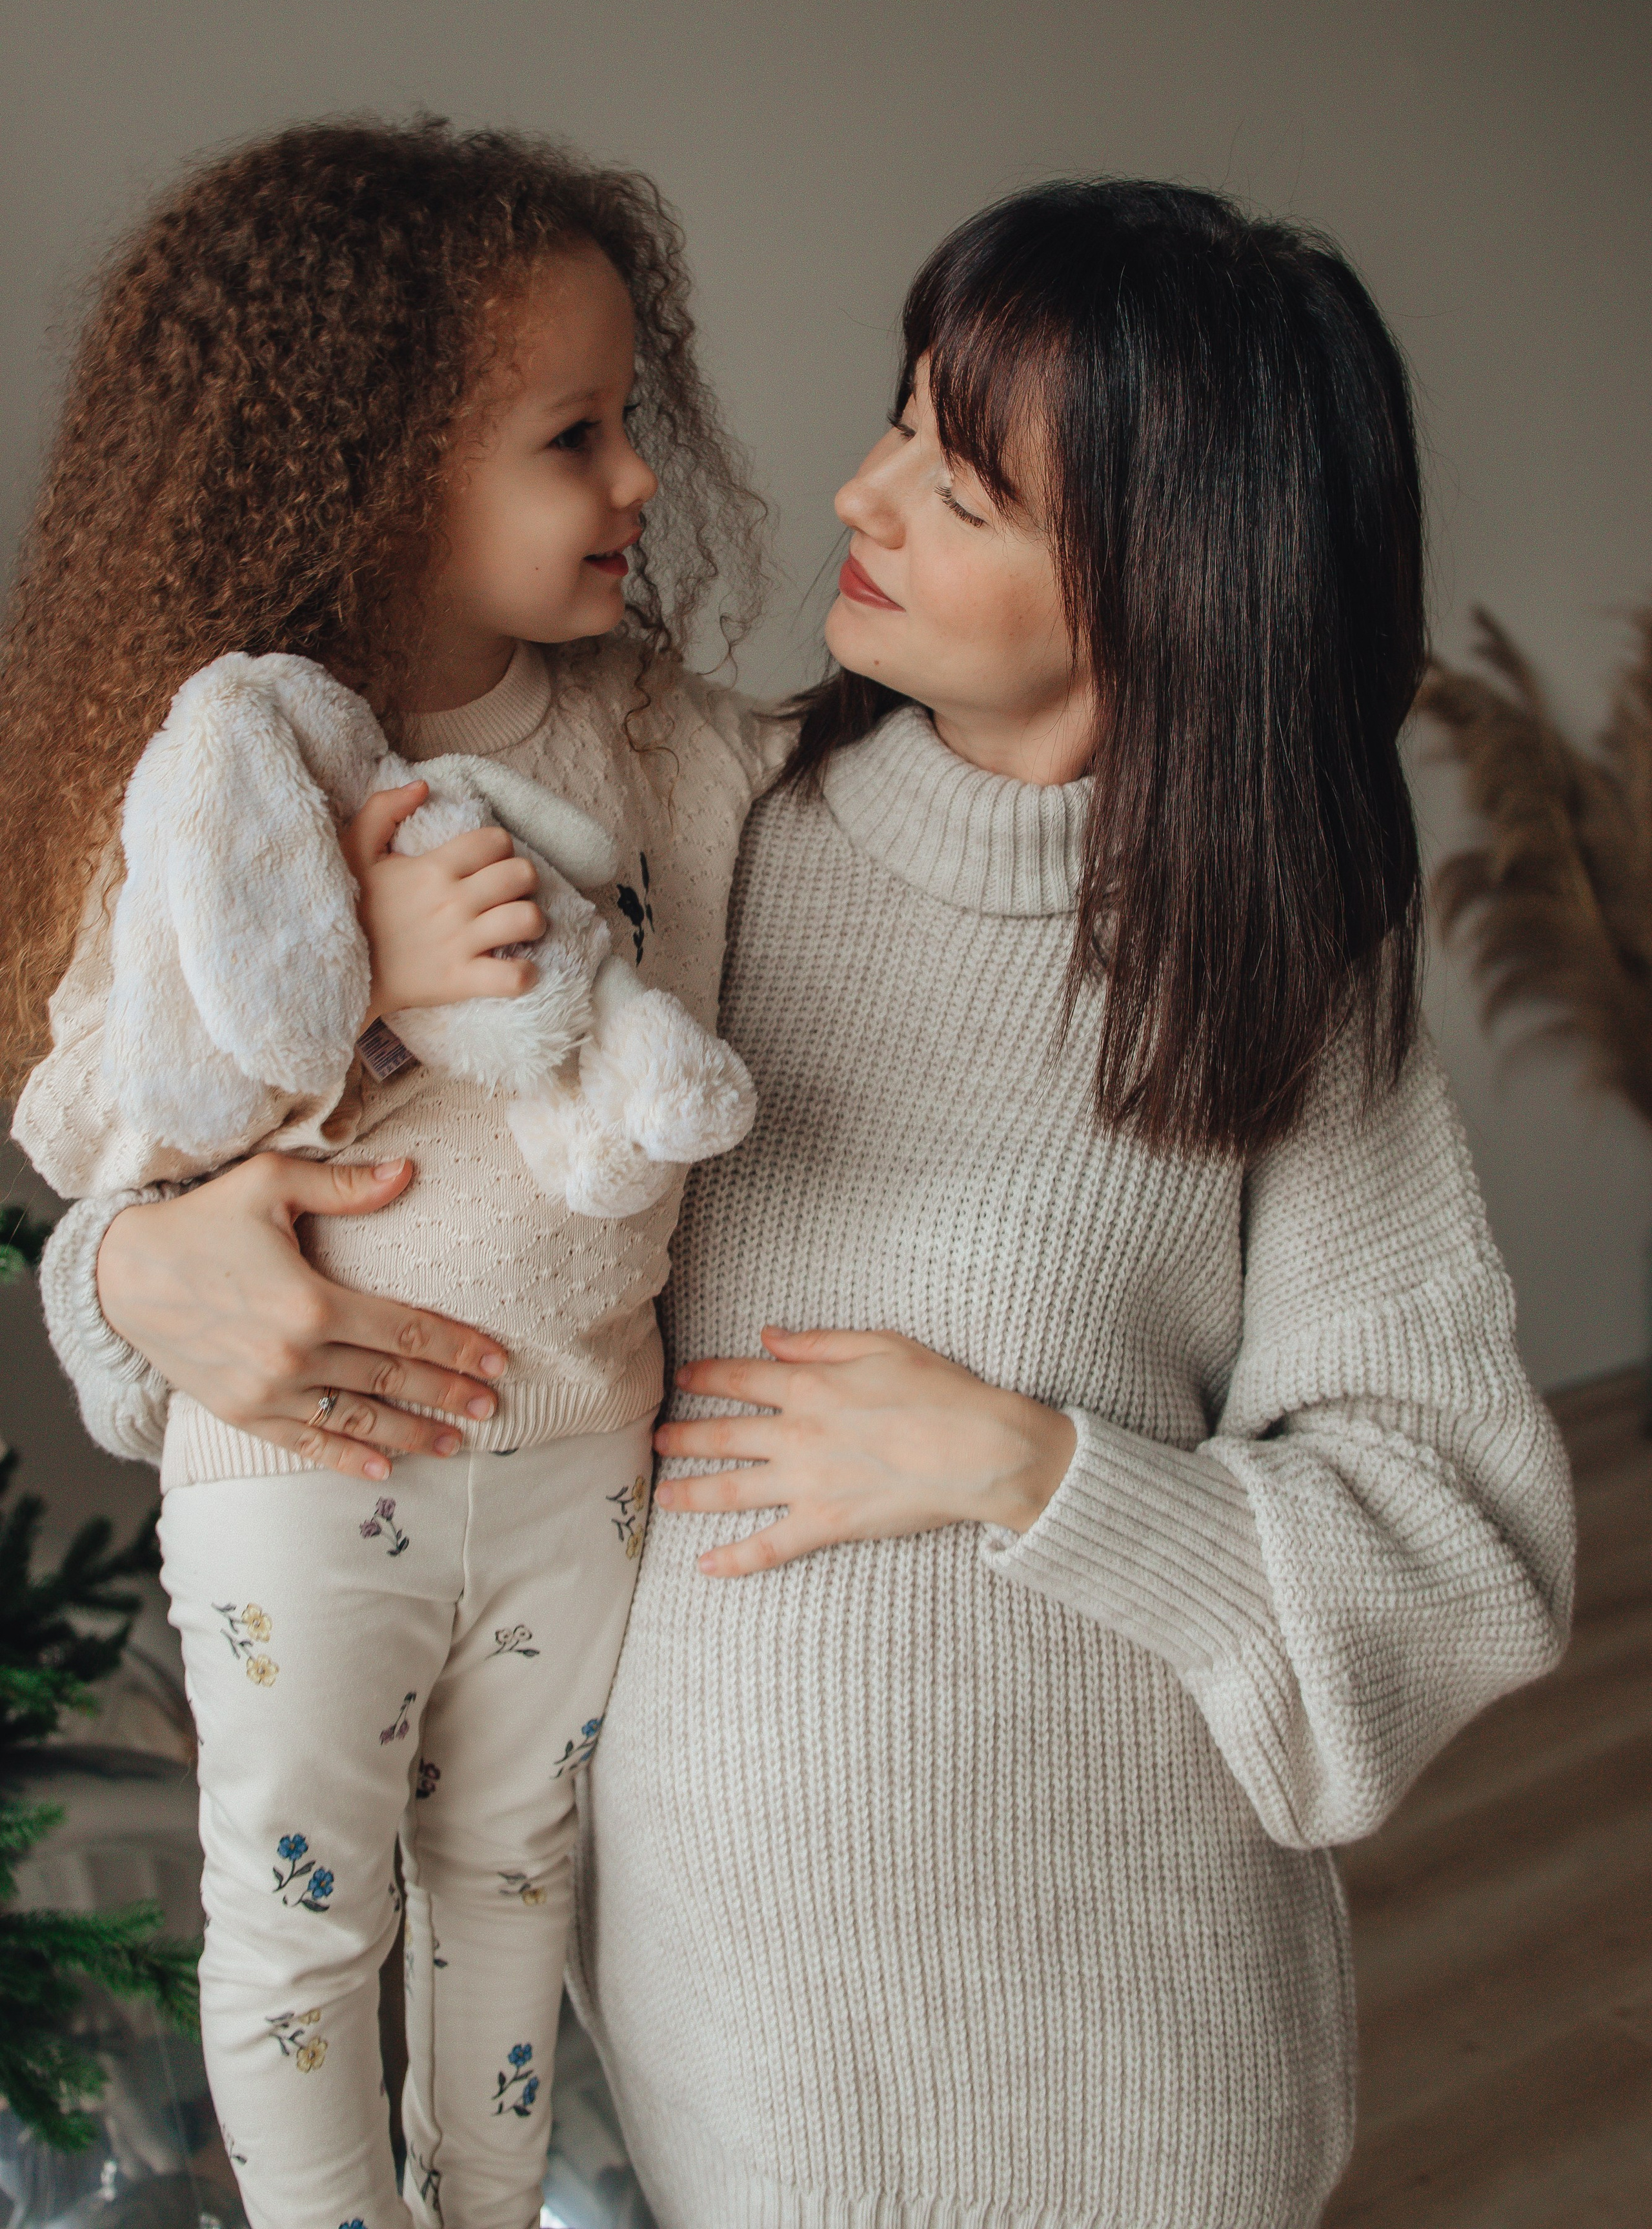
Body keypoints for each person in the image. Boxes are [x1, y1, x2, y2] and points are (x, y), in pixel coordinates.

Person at [38, 181, 1573, 2229]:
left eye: (961, 482)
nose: (861, 490)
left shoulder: (1278, 975)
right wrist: (129, 1270)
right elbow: (300, 1144)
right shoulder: (709, 825)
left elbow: (1464, 1543)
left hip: (1134, 2071)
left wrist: (1036, 1470)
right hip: (732, 2072)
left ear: (1170, 574)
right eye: (903, 417)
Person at [1, 118, 773, 2229]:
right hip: (303, 1468)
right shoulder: (221, 764)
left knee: (514, 1892)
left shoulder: (655, 745)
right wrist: (354, 989)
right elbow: (88, 1122)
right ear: (375, 460)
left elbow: (833, 837)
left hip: (574, 1457)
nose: (636, 481)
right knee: (300, 1932)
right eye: (573, 436)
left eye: (631, 423)